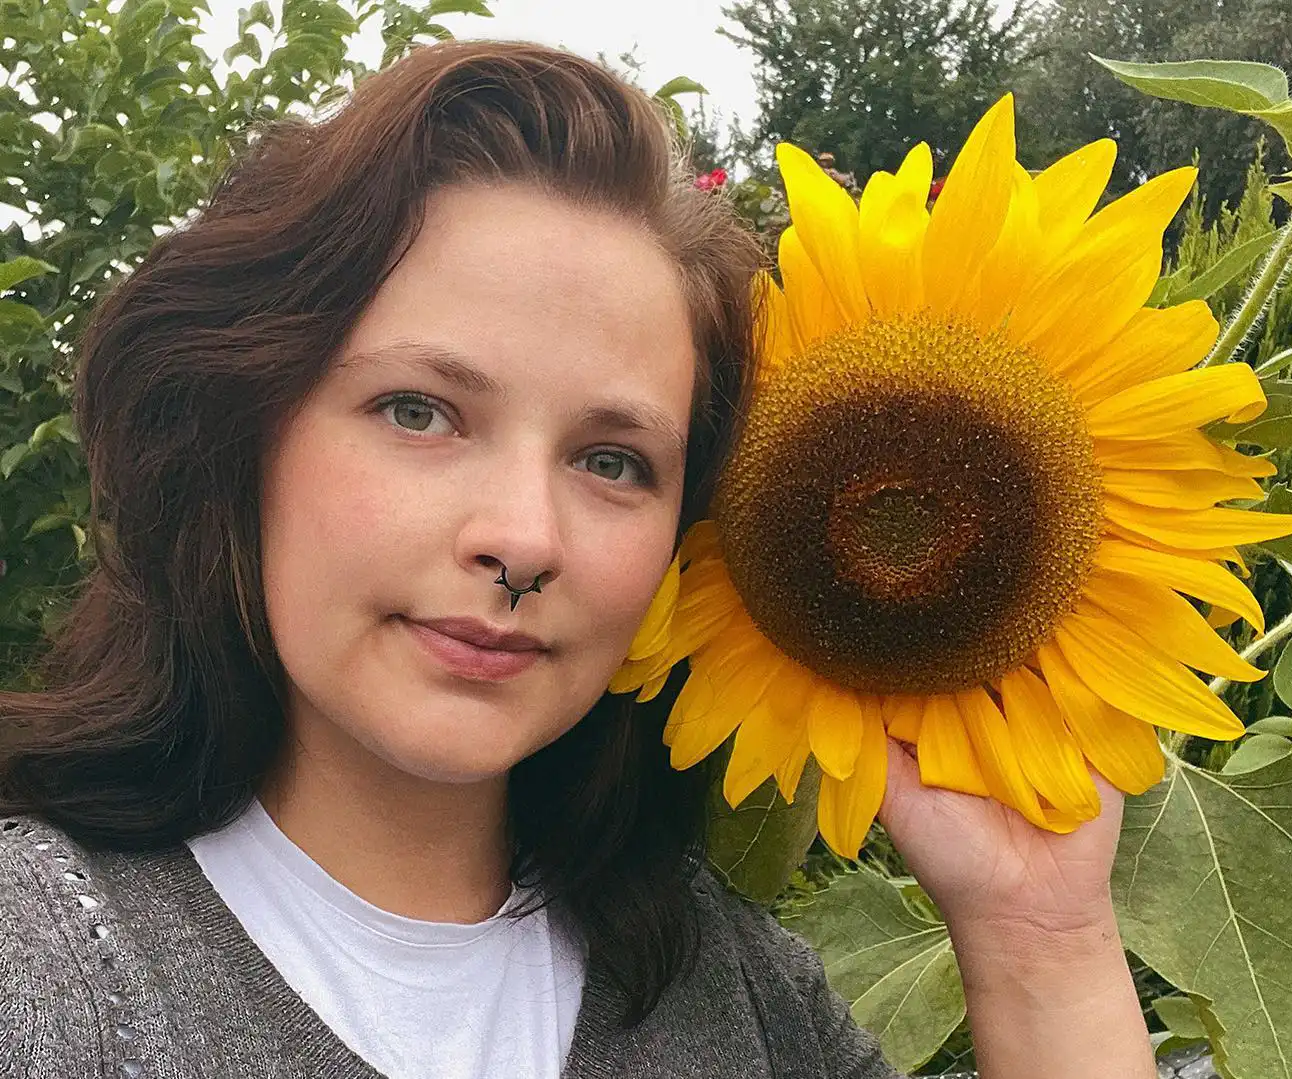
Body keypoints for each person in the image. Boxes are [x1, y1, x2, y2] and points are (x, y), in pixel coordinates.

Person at [0, 39, 1156, 1079]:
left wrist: (1036, 935)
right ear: (243, 430)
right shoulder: (46, 970)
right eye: (418, 410)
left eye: (612, 461)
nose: (522, 539)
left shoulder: (740, 1003)